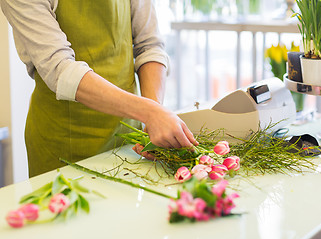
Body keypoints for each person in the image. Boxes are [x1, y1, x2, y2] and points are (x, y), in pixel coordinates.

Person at [1, 0, 198, 177]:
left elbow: (149, 46)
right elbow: (60, 69)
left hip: (130, 138)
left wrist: (152, 120)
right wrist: (150, 111)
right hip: (62, 143)